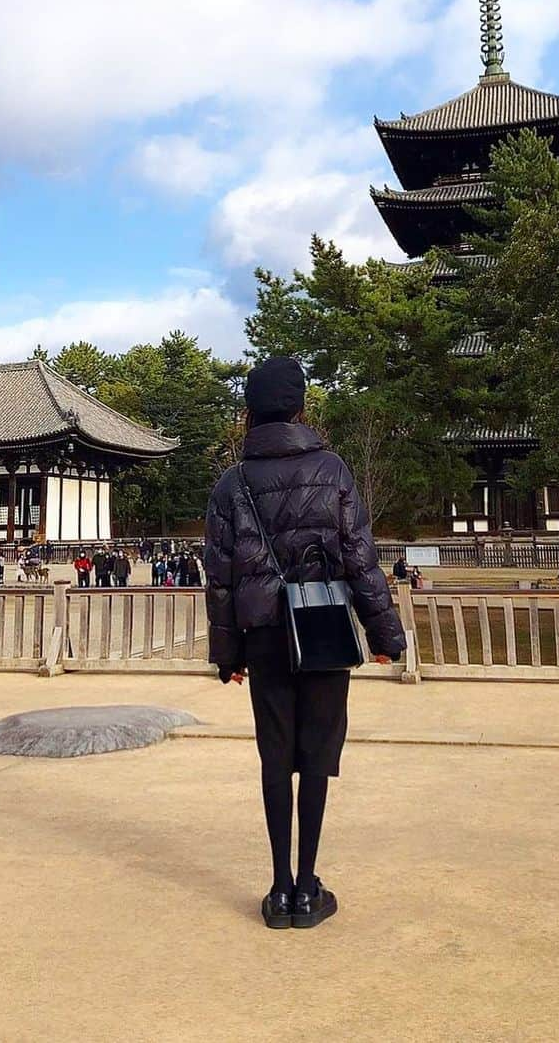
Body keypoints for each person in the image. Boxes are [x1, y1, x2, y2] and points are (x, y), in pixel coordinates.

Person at [204, 355, 406, 931]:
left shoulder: (232, 483)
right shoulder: (333, 470)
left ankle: (278, 887)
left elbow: (220, 575)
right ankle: (308, 888)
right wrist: (385, 633)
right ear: (299, 407)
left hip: (264, 634)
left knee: (275, 757)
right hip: (320, 627)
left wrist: (228, 655)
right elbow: (359, 557)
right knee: (316, 754)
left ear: (250, 410)